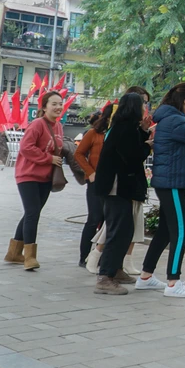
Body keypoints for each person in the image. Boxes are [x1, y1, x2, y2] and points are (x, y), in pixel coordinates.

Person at [138, 82, 185, 298]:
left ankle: (146, 276)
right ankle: (173, 282)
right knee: (181, 232)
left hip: (170, 182)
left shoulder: (169, 120)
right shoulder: (175, 120)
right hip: (172, 184)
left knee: (164, 231)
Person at [84, 87, 152, 275]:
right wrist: (148, 145)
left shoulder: (126, 127)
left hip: (121, 188)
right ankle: (106, 275)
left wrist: (144, 132)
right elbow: (133, 156)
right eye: (142, 104)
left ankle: (115, 269)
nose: (145, 107)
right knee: (117, 230)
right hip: (116, 188)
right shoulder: (124, 128)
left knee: (124, 229)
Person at [5, 90, 65, 271]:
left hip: (46, 178)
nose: (58, 107)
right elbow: (26, 147)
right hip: (28, 175)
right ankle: (29, 257)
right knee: (33, 213)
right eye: (53, 104)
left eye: (60, 104)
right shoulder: (38, 124)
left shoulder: (59, 126)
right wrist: (48, 159)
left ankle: (14, 253)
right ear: (44, 107)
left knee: (32, 213)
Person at [74, 107, 109, 267]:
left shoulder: (117, 133)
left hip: (111, 182)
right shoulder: (93, 133)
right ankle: (84, 256)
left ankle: (99, 256)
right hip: (95, 182)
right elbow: (78, 153)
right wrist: (90, 172)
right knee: (94, 218)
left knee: (106, 220)